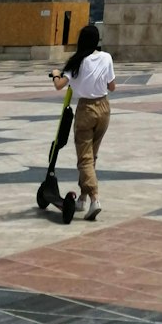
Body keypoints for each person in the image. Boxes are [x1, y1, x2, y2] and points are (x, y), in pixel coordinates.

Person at [51, 25, 115, 222]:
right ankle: (83, 198)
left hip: (86, 110)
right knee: (92, 155)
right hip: (104, 108)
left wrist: (55, 73)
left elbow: (59, 85)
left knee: (84, 158)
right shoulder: (106, 57)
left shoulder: (77, 61)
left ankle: (95, 199)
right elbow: (112, 86)